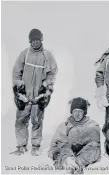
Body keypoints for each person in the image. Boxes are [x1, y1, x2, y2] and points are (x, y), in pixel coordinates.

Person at [11, 28, 58, 156]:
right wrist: (18, 86)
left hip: (38, 96)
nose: (35, 42)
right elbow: (16, 72)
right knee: (21, 121)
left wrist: (46, 86)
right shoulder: (24, 54)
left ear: (41, 40)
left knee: (37, 121)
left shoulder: (47, 55)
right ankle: (21, 146)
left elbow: (52, 72)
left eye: (38, 40)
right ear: (30, 41)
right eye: (33, 40)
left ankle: (36, 146)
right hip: (24, 96)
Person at [48, 97, 101, 174]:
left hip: (83, 153)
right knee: (63, 145)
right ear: (71, 112)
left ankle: (75, 164)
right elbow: (55, 144)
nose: (77, 114)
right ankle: (69, 162)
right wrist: (55, 154)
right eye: (75, 111)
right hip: (68, 153)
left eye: (80, 111)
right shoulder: (65, 125)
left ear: (84, 112)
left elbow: (95, 143)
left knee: (95, 149)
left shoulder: (91, 125)